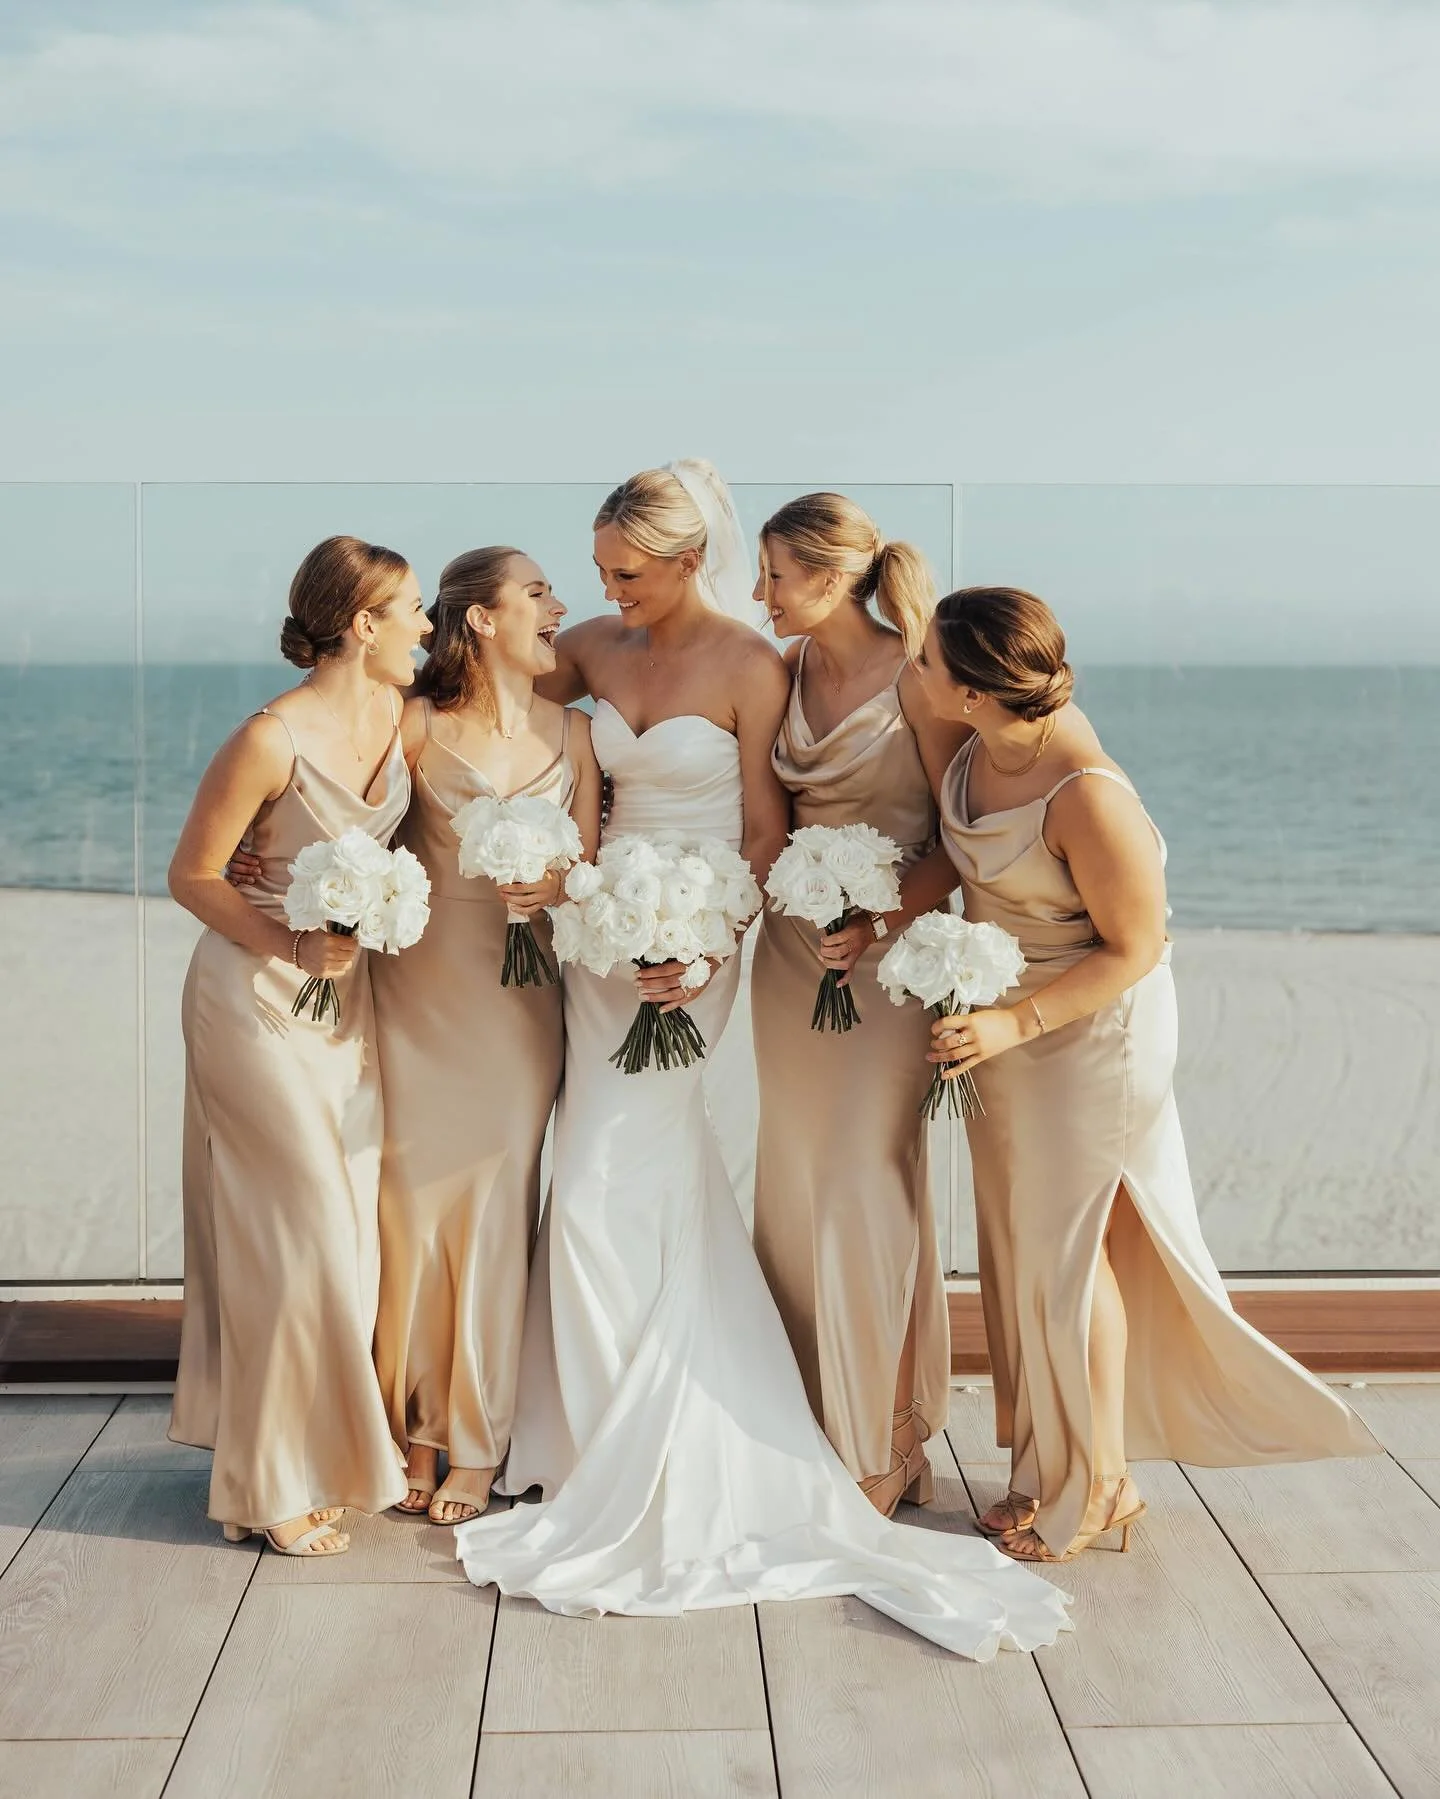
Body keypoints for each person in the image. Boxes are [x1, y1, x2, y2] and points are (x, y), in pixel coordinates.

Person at [451, 465, 1071, 1660]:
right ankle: (576, 1440)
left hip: (703, 928)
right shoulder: (590, 643)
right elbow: (490, 684)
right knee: (620, 1173)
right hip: (593, 925)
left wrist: (704, 940)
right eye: (593, 570)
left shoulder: (751, 665)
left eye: (627, 569)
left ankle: (637, 1440)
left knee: (594, 1179)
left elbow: (760, 831)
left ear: (691, 561)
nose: (603, 589)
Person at [916, 585, 1379, 1563]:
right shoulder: (976, 733)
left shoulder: (1085, 791)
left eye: (924, 661)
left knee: (1073, 1257)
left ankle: (1104, 1485)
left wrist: (1010, 1021)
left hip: (1087, 1030)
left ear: (973, 691)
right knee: (1027, 1254)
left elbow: (1136, 947)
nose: (911, 672)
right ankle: (1050, 1473)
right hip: (1000, 1023)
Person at [167, 535, 431, 1555]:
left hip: (348, 1009)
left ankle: (295, 1452)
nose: (426, 627)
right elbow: (193, 875)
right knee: (303, 1229)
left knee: (350, 1240)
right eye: (411, 609)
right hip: (254, 1002)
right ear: (363, 623)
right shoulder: (267, 740)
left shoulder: (403, 719)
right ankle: (270, 1479)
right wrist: (289, 939)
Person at [370, 548, 601, 1525]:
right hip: (419, 992)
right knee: (409, 1208)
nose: (561, 607)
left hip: (522, 1002)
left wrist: (553, 886)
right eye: (539, 592)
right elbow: (347, 826)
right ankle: (408, 1427)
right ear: (480, 619)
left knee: (498, 1201)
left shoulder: (577, 734)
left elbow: (587, 869)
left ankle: (476, 1437)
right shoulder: (414, 722)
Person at [749, 492, 966, 1512]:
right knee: (792, 1188)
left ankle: (884, 1438)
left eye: (776, 576)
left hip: (886, 968)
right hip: (791, 963)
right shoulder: (782, 672)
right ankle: (811, 1428)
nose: (759, 594)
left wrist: (877, 925)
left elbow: (955, 843)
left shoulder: (919, 676)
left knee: (861, 1186)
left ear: (833, 578)